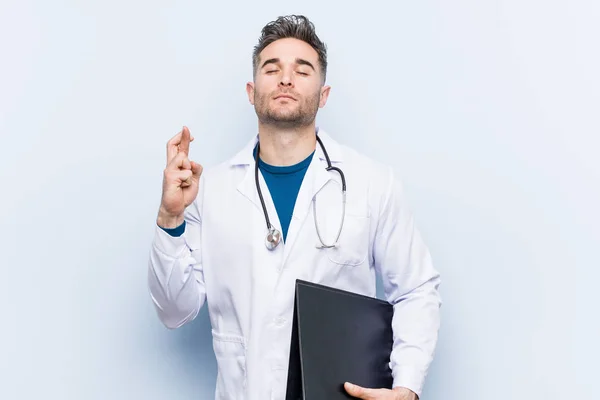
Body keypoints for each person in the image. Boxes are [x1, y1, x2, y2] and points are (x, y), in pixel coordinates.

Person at [148, 14, 441, 400]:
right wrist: (171, 217)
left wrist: (406, 388)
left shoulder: (372, 183)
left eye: (302, 70)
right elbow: (174, 311)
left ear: (323, 95)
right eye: (272, 69)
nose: (286, 78)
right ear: (252, 92)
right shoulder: (210, 190)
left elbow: (417, 289)